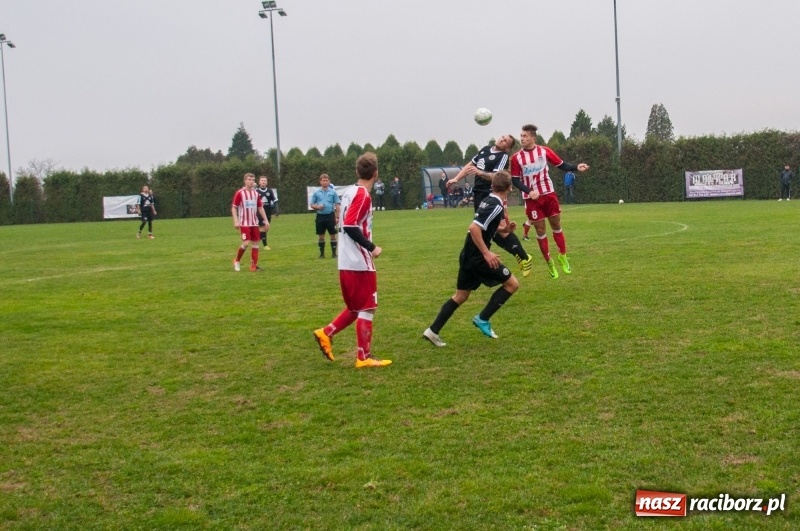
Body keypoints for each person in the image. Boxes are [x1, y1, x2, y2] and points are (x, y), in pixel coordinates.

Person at [423, 170, 520, 347]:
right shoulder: (496, 205)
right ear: (509, 187)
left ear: (492, 185)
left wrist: (504, 230)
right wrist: (486, 253)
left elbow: (484, 226)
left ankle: (432, 331)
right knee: (512, 284)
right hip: (477, 257)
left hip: (467, 254)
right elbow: (474, 228)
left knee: (461, 295)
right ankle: (483, 319)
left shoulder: (488, 200)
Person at [314, 152, 391, 368]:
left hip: (346, 261)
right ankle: (363, 357)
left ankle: (325, 333)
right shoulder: (362, 195)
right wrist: (371, 247)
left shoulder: (348, 192)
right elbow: (349, 225)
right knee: (368, 308)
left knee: (356, 308)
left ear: (358, 172)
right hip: (359, 261)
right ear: (375, 173)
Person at [448, 134, 534, 277]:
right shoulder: (485, 149)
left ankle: (524, 257)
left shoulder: (503, 157)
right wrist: (456, 178)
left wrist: (479, 172)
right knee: (492, 231)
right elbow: (470, 165)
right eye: (502, 137)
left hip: (490, 195)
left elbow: (497, 177)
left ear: (507, 147)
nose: (502, 139)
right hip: (478, 194)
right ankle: (519, 256)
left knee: (497, 230)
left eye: (506, 140)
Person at [510, 124, 589, 280]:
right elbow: (515, 180)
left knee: (556, 226)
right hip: (532, 199)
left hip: (549, 194)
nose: (522, 139)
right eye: (521, 136)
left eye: (525, 136)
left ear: (533, 138)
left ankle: (563, 256)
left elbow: (562, 165)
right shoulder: (516, 158)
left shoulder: (544, 151)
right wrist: (529, 191)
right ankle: (549, 261)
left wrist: (576, 167)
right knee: (540, 231)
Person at [231, 173, 269, 272]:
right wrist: (236, 220)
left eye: (253, 179)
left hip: (254, 222)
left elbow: (260, 207)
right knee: (246, 243)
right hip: (244, 223)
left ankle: (253, 266)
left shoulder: (256, 194)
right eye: (249, 179)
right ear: (245, 181)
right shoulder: (240, 193)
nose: (251, 181)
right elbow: (234, 207)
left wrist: (266, 220)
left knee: (256, 243)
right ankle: (237, 260)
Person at [310, 173, 341, 258]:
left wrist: (338, 217)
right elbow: (312, 204)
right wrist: (317, 207)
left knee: (333, 234)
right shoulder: (316, 193)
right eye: (323, 181)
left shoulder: (333, 192)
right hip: (320, 216)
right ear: (320, 182)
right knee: (321, 235)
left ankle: (334, 254)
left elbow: (337, 204)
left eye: (327, 180)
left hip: (330, 216)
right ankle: (322, 254)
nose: (325, 182)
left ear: (329, 181)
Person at [256, 176, 277, 250]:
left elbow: (274, 200)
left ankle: (257, 239)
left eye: (265, 180)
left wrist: (276, 210)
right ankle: (265, 245)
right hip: (259, 213)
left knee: (266, 228)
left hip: (268, 213)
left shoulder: (270, 191)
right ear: (259, 182)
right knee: (262, 228)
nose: (263, 182)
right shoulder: (256, 191)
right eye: (262, 180)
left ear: (267, 182)